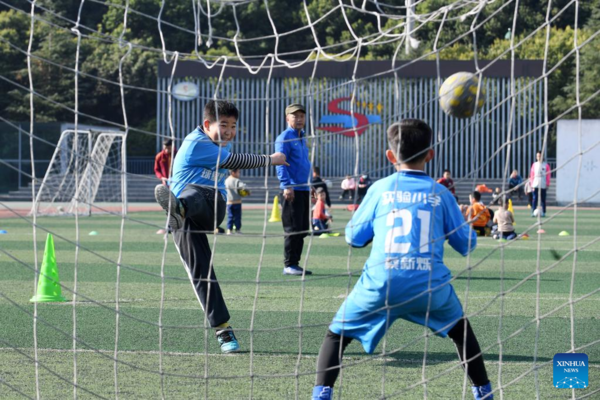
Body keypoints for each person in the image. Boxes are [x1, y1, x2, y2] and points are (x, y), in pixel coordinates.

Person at [311, 119, 493, 400]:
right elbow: (466, 245)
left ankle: (321, 394)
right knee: (461, 331)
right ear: (430, 154)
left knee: (337, 335)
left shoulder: (380, 189)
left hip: (381, 283)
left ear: (390, 156)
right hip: (429, 286)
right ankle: (484, 392)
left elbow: (353, 238)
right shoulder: (441, 193)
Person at [154, 100, 288, 353]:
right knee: (200, 271)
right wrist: (272, 159)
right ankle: (223, 331)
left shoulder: (213, 145)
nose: (229, 130)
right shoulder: (197, 142)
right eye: (223, 125)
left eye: (233, 125)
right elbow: (238, 159)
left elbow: (232, 161)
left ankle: (180, 207)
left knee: (200, 193)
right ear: (207, 124)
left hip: (209, 207)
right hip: (182, 217)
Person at [276, 103, 313, 276]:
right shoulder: (285, 137)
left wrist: (310, 184)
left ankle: (295, 264)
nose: (299, 119)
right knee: (293, 228)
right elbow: (279, 162)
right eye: (295, 116)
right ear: (287, 118)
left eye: (302, 116)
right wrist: (287, 185)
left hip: (304, 188)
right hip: (291, 190)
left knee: (303, 228)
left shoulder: (302, 137)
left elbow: (304, 164)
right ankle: (289, 264)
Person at [225, 169, 249, 235]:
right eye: (238, 172)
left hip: (229, 202)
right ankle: (237, 230)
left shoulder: (226, 180)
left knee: (230, 216)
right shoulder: (237, 180)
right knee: (237, 217)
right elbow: (243, 187)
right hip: (237, 202)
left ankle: (229, 230)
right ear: (233, 173)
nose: (239, 174)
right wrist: (247, 191)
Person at [530, 150, 551, 217]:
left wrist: (547, 184)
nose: (538, 157)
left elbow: (548, 175)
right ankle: (533, 211)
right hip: (535, 184)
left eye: (540, 156)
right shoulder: (534, 165)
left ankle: (544, 212)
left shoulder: (546, 165)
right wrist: (531, 184)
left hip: (543, 184)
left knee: (543, 199)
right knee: (534, 198)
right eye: (537, 156)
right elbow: (532, 175)